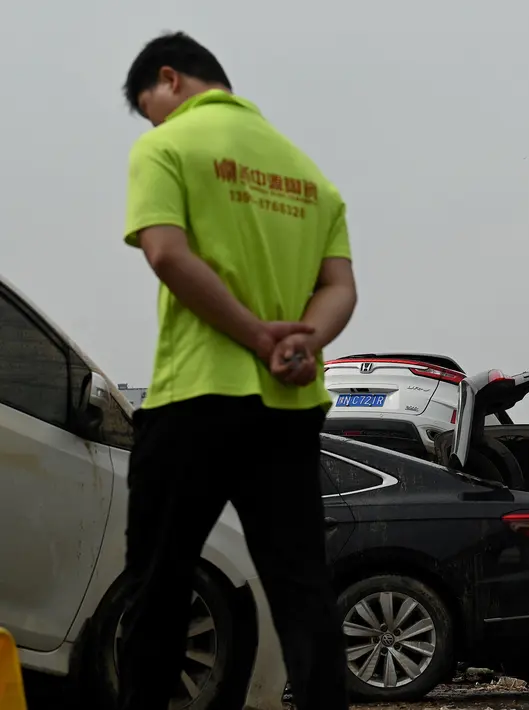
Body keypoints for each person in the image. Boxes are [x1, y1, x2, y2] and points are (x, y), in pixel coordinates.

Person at [119, 33, 355, 710]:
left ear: (170, 79)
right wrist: (300, 341)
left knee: (159, 587)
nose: (153, 123)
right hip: (288, 407)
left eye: (150, 107)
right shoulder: (308, 174)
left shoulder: (166, 148)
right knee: (303, 590)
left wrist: (254, 336)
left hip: (195, 395)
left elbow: (165, 253)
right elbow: (340, 286)